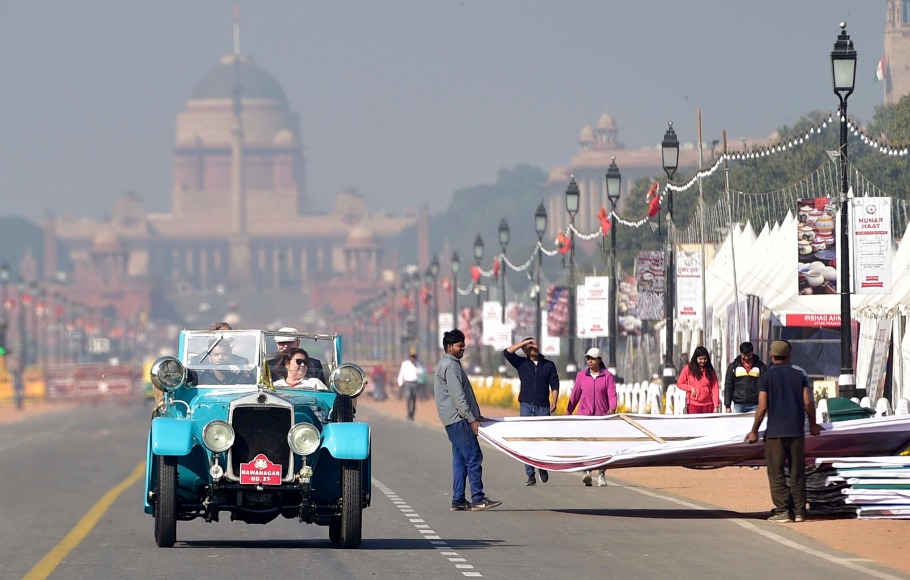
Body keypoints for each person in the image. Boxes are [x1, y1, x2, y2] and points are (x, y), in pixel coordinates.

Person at [745, 340, 822, 523]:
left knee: (776, 472)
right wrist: (813, 424)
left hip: (775, 433)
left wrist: (754, 431)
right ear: (789, 356)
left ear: (771, 356)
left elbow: (762, 407)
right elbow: (808, 402)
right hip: (796, 431)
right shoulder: (799, 375)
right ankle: (799, 511)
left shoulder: (767, 377)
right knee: (797, 472)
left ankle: (782, 511)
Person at [434, 329, 501, 512]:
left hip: (452, 420)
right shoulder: (451, 365)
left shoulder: (447, 364)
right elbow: (458, 396)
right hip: (459, 419)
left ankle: (458, 500)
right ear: (449, 347)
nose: (463, 348)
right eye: (459, 345)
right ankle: (478, 498)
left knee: (460, 460)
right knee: (473, 456)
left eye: (463, 345)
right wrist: (472, 419)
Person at [503, 337, 560, 486]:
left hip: (543, 407)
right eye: (530, 346)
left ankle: (542, 467)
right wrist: (524, 343)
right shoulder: (521, 363)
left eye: (535, 345)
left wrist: (555, 399)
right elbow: (507, 353)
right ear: (525, 350)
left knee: (542, 438)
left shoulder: (549, 365)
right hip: (526, 405)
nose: (534, 347)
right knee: (527, 439)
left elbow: (554, 383)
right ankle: (530, 473)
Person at [566, 347, 616, 487]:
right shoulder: (581, 376)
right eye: (588, 358)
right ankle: (587, 472)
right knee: (586, 445)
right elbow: (575, 395)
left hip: (602, 417)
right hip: (584, 416)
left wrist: (612, 408)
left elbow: (612, 394)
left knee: (602, 446)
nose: (590, 361)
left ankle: (601, 474)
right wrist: (568, 412)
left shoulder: (607, 376)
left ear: (599, 360)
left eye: (593, 358)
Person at [724, 341, 767, 413]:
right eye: (744, 356)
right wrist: (727, 405)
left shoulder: (761, 366)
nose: (746, 358)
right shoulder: (733, 367)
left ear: (752, 353)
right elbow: (728, 386)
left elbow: (765, 386)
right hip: (739, 405)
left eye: (749, 355)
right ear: (740, 353)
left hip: (755, 404)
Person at [676, 346, 720, 414]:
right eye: (700, 359)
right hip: (693, 404)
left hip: (707, 405)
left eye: (705, 359)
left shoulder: (711, 371)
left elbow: (715, 388)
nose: (703, 361)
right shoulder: (688, 369)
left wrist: (716, 406)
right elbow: (679, 383)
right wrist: (690, 388)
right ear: (695, 358)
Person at [397, 350, 425, 421]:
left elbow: (421, 373)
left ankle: (412, 414)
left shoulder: (418, 365)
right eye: (412, 358)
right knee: (408, 397)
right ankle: (408, 413)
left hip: (415, 383)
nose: (413, 359)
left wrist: (416, 367)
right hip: (407, 383)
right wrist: (400, 382)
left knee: (414, 399)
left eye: (414, 358)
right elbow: (401, 373)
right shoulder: (405, 364)